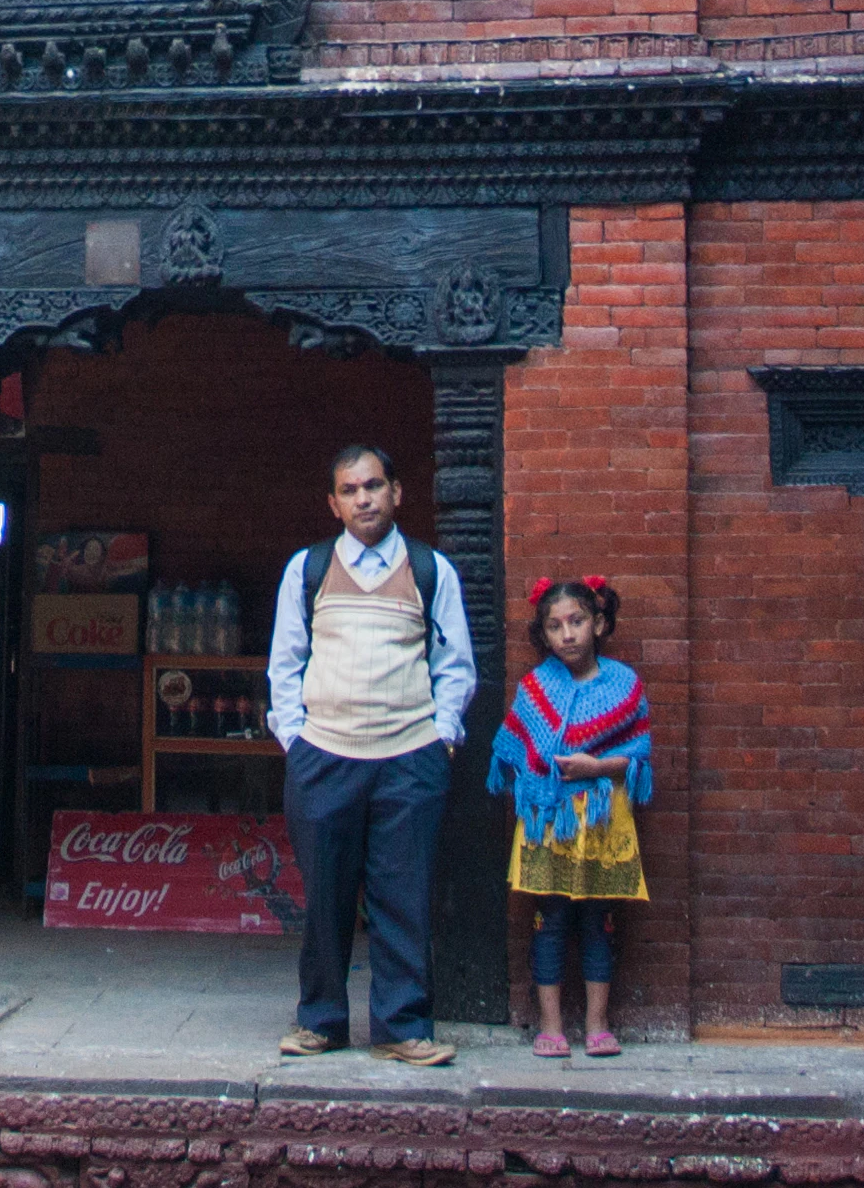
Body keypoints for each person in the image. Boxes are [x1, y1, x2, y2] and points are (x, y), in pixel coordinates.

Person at [266, 440, 476, 1065]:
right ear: (333, 504)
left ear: (397, 493)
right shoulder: (308, 568)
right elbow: (285, 663)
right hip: (324, 756)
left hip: (410, 757)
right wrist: (296, 739)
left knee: (402, 896)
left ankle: (402, 1027)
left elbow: (456, 666)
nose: (365, 498)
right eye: (351, 490)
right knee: (326, 894)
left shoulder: (431, 569)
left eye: (374, 486)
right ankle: (321, 1021)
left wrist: (443, 736)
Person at [489, 574, 651, 1058]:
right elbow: (516, 750)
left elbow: (639, 754)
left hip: (602, 819)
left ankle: (599, 1024)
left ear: (599, 623)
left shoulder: (625, 684)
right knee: (550, 920)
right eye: (555, 625)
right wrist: (544, 776)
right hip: (549, 819)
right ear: (544, 633)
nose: (568, 634)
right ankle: (551, 1025)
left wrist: (595, 766)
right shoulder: (534, 687)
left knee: (599, 920)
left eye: (577, 621)